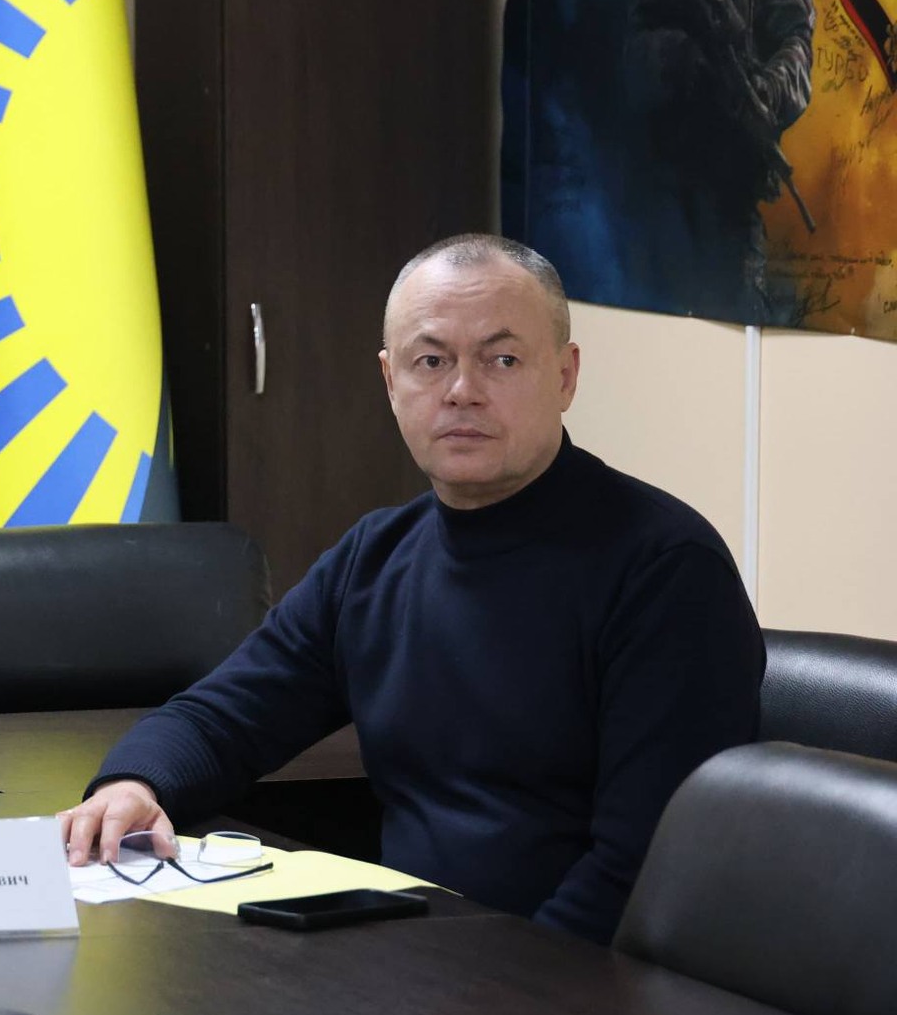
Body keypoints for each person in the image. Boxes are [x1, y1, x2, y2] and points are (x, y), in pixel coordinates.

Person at [59, 234, 762, 944]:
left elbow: (643, 866)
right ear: (391, 381)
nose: (462, 390)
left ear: (565, 376)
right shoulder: (377, 556)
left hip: (569, 982)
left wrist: (516, 998)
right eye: (431, 361)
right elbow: (224, 718)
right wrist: (134, 785)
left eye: (502, 360)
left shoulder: (665, 568)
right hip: (413, 955)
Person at [627, 0, 814, 310]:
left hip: (734, 178)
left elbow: (797, 38)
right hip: (673, 178)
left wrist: (769, 90)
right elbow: (636, 40)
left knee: (739, 309)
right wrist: (680, 59)